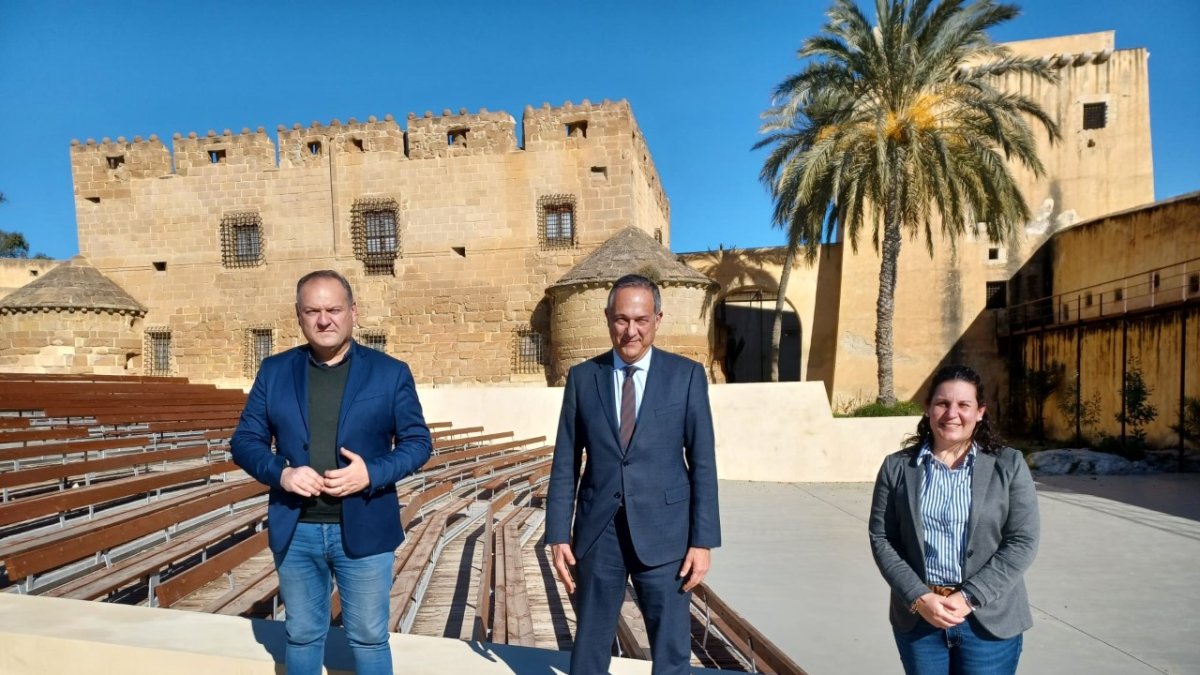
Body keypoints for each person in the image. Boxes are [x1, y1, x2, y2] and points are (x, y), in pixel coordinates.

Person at [231, 270, 432, 675]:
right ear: (299, 316)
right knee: (302, 635)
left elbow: (418, 443)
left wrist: (370, 474)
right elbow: (244, 441)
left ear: (353, 312)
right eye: (313, 311)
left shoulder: (390, 372)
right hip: (297, 529)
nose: (324, 320)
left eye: (334, 309)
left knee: (369, 637)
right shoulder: (274, 370)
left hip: (364, 528)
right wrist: (282, 473)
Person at [546, 273, 721, 675]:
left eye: (641, 320)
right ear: (608, 318)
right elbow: (566, 462)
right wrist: (558, 533)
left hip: (666, 535)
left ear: (658, 319)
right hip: (598, 534)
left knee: (671, 648)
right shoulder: (582, 378)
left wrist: (703, 541)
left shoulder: (686, 376)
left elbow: (704, 464)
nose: (631, 331)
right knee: (589, 646)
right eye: (622, 319)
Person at [868, 365, 1039, 675]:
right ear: (928, 408)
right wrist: (920, 597)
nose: (952, 413)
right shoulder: (897, 467)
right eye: (942, 403)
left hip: (989, 621)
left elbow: (1022, 541)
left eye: (964, 405)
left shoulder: (1009, 464)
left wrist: (969, 597)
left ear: (980, 412)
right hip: (920, 619)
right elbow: (883, 538)